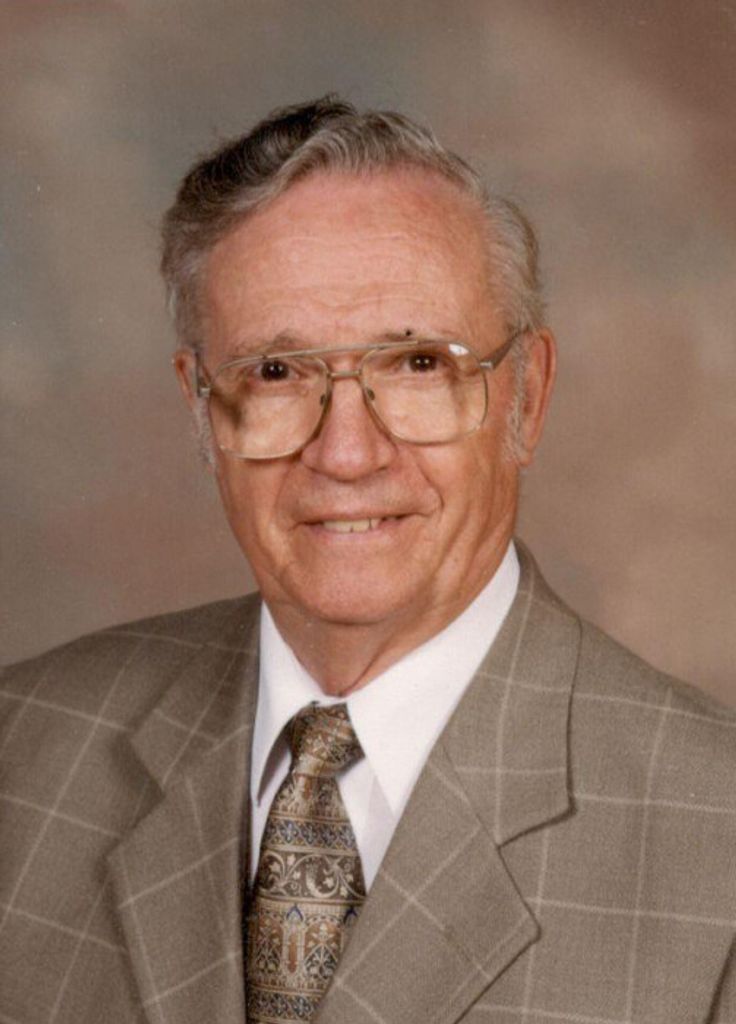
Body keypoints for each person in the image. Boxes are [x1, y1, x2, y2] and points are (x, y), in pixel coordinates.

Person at [1, 96, 734, 1024]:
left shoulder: (718, 843)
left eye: (418, 364)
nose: (346, 454)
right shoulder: (21, 751)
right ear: (201, 409)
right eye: (276, 372)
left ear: (526, 397)